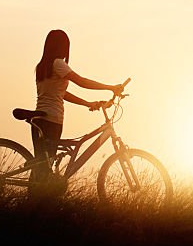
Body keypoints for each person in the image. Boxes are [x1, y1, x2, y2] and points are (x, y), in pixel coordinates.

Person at [30, 30, 127, 185]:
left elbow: (61, 93)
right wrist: (110, 87)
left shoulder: (42, 66)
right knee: (43, 170)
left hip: (40, 120)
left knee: (41, 168)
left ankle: (33, 202)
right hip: (52, 120)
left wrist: (87, 103)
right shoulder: (58, 64)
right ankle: (36, 200)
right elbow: (81, 81)